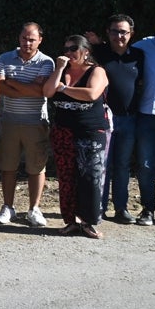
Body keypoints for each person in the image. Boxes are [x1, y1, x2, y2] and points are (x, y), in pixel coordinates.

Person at [43, 36, 109, 238]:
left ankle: (89, 222)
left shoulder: (97, 71)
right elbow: (47, 91)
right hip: (63, 131)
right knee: (66, 177)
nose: (69, 53)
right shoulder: (62, 71)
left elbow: (91, 94)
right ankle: (71, 221)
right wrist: (59, 70)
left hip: (90, 131)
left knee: (90, 177)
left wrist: (64, 89)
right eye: (66, 49)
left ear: (86, 51)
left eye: (74, 48)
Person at [0, 22, 55, 228]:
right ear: (19, 38)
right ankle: (8, 207)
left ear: (40, 40)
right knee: (7, 166)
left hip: (36, 122)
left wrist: (13, 83)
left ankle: (34, 209)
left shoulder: (47, 62)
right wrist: (29, 87)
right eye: (24, 38)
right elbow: (0, 87)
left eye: (32, 39)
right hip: (10, 121)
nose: (27, 43)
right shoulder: (4, 58)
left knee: (36, 167)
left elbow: (42, 92)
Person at [90, 14, 144, 223]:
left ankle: (121, 208)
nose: (119, 36)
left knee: (122, 166)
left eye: (123, 32)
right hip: (104, 119)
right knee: (103, 165)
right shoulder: (99, 53)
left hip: (129, 119)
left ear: (131, 34)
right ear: (108, 33)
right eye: (114, 31)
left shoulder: (139, 55)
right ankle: (99, 208)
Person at [128, 21, 155, 226]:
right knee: (146, 165)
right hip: (147, 114)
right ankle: (148, 209)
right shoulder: (144, 45)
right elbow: (119, 53)